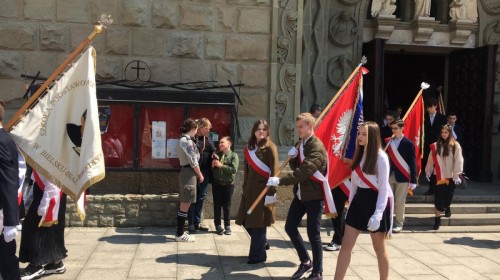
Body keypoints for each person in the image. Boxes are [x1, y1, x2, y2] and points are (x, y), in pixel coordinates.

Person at [267, 112, 327, 280]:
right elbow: (296, 167)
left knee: (313, 234)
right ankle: (306, 261)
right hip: (301, 194)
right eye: (298, 127)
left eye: (301, 126)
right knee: (290, 226)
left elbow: (303, 172)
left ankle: (318, 272)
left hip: (314, 195)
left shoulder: (316, 147)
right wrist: (292, 157)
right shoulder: (301, 143)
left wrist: (280, 180)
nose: (298, 130)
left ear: (311, 126)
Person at [334, 121, 394, 280]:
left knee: (379, 248)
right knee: (345, 245)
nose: (359, 136)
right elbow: (354, 185)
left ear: (372, 136)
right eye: (359, 133)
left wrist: (378, 214)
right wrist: (350, 207)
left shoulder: (381, 158)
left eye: (364, 134)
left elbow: (383, 189)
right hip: (359, 201)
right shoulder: (358, 154)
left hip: (376, 202)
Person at [235, 120, 278, 264]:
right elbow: (247, 170)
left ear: (267, 132)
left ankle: (257, 256)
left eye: (264, 129)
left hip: (262, 191)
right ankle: (262, 242)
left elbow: (275, 171)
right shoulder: (249, 148)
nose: (261, 132)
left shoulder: (270, 148)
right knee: (246, 220)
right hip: (249, 190)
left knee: (258, 224)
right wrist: (244, 187)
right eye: (258, 129)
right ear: (254, 131)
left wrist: (272, 190)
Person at [19, 170, 68, 279]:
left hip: (50, 193)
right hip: (48, 190)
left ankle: (35, 265)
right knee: (52, 230)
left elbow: (52, 179)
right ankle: (56, 263)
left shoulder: (52, 153)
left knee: (31, 229)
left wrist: (45, 204)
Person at [425, 125, 464, 230]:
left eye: (446, 132)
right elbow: (430, 159)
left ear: (450, 133)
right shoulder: (436, 145)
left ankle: (447, 207)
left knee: (448, 197)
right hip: (439, 176)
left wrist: (456, 175)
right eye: (442, 132)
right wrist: (428, 170)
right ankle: (437, 220)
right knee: (438, 198)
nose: (444, 134)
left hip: (450, 177)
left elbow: (459, 161)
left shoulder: (455, 145)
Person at [0, 100, 21, 280]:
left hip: (1, 213)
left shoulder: (2, 141)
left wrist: (10, 221)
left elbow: (9, 181)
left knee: (6, 260)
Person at [386, 120, 417, 233]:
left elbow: (412, 162)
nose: (393, 130)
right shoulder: (388, 142)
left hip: (403, 176)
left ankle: (399, 223)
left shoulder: (408, 143)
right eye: (392, 128)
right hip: (390, 175)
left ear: (402, 128)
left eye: (396, 128)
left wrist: (413, 179)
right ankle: (387, 221)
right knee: (388, 200)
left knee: (399, 201)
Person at [175, 119, 203, 242]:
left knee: (186, 202)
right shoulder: (187, 142)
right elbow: (193, 160)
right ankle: (180, 234)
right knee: (186, 202)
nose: (197, 132)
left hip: (187, 172)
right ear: (193, 129)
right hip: (189, 173)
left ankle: (180, 232)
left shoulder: (184, 140)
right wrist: (200, 175)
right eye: (196, 129)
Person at [188, 118, 214, 234]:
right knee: (192, 197)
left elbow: (214, 149)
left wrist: (215, 154)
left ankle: (198, 222)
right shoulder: (193, 139)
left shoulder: (207, 138)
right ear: (201, 127)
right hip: (194, 171)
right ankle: (191, 223)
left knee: (201, 197)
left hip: (206, 171)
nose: (208, 130)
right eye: (207, 128)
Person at [211, 136, 239, 235]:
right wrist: (213, 165)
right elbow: (213, 169)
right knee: (217, 205)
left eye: (222, 142)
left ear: (229, 144)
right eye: (219, 143)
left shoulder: (234, 156)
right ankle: (217, 225)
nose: (220, 144)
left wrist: (221, 165)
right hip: (217, 184)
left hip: (228, 185)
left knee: (227, 206)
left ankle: (227, 225)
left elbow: (233, 170)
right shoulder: (217, 154)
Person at [423, 97, 447, 195]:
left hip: (438, 146)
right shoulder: (423, 117)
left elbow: (445, 133)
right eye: (428, 108)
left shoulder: (442, 118)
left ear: (436, 106)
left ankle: (437, 188)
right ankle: (431, 188)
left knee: (437, 167)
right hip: (427, 146)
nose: (429, 109)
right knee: (429, 167)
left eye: (431, 107)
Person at [324, 185, 348, 252]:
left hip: (342, 184)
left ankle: (337, 240)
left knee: (337, 212)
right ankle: (342, 237)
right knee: (334, 210)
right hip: (334, 183)